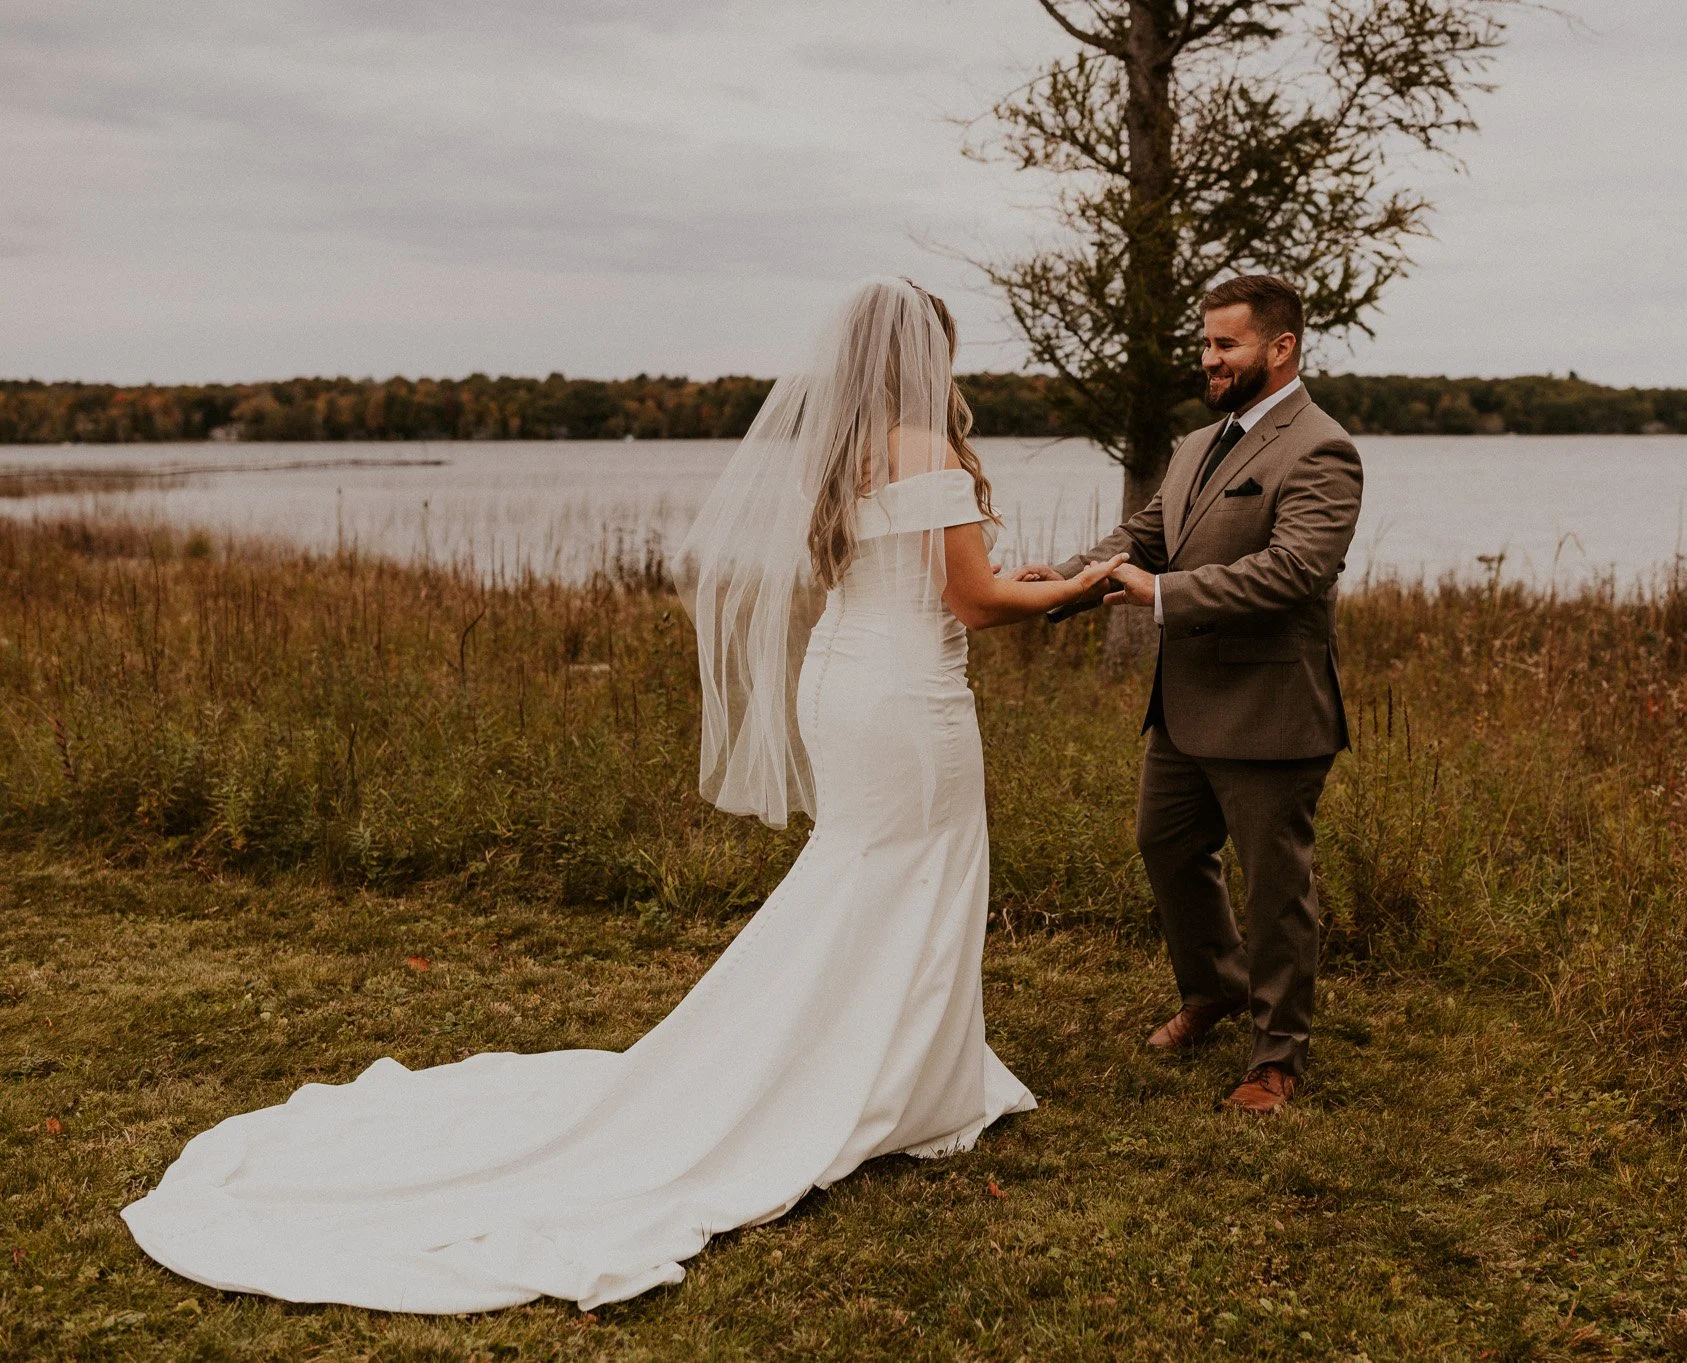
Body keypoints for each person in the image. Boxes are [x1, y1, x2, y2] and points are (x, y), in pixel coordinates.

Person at [121, 277, 1124, 1314]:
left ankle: (883, 1066)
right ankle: (887, 1080)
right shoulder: (924, 446)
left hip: (842, 678)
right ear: (927, 354)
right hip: (909, 696)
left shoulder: (845, 448)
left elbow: (921, 575)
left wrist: (1024, 579)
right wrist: (1081, 587)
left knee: (864, 875)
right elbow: (972, 599)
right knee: (908, 875)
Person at [1017, 274, 1363, 1116]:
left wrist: (1160, 597)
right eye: (1205, 343)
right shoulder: (1193, 444)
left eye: (1226, 344)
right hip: (1185, 706)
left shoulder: (1322, 447)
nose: (1208, 358)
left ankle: (1277, 1057)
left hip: (1270, 710)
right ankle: (1214, 987)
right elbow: (1143, 534)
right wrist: (1058, 580)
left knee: (1274, 887)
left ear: (1279, 349)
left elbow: (1294, 570)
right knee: (1166, 846)